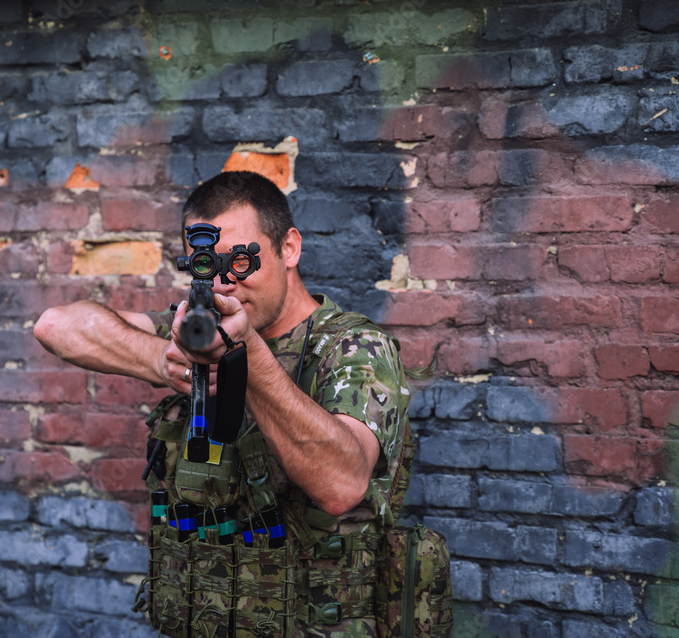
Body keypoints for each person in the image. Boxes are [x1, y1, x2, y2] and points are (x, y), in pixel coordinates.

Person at [34, 171, 414, 637]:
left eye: (238, 261)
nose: (223, 284)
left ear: (289, 248)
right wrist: (159, 359)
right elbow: (55, 325)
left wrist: (247, 353)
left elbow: (341, 484)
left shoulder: (353, 347)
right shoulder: (197, 326)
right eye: (205, 265)